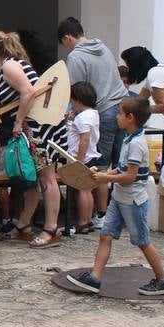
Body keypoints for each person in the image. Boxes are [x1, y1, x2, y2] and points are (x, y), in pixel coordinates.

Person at [67, 97, 164, 297]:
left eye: (120, 114)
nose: (117, 118)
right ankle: (95, 277)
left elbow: (131, 176)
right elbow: (122, 168)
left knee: (142, 241)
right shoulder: (129, 138)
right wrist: (104, 173)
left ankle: (163, 280)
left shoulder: (137, 143)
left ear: (130, 117)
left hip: (132, 200)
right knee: (106, 235)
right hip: (119, 197)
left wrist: (105, 177)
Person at [0, 29, 68, 249]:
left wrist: (17, 121)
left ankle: (51, 229)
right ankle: (24, 225)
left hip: (39, 129)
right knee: (30, 179)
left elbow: (28, 92)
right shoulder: (3, 70)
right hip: (32, 129)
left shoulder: (9, 66)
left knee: (46, 179)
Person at [57, 18, 128, 219]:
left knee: (101, 167)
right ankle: (121, 211)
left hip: (103, 112)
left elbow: (76, 90)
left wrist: (70, 111)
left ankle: (102, 215)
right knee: (120, 162)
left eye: (65, 43)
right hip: (122, 107)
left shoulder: (76, 57)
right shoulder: (103, 47)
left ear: (67, 38)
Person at [66, 82, 102, 231]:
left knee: (82, 189)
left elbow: (84, 139)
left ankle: (83, 220)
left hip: (82, 158)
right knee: (87, 189)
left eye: (72, 101)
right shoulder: (93, 114)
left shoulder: (82, 118)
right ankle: (88, 220)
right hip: (91, 155)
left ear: (78, 100)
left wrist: (78, 161)